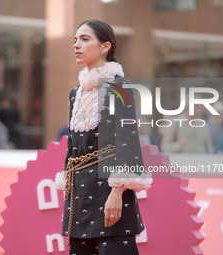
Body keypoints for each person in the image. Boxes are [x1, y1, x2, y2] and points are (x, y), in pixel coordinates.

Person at [54, 19, 152, 255]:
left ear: (105, 46)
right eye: (75, 40)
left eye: (85, 39)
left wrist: (117, 193)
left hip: (109, 191)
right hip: (79, 196)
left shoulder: (119, 88)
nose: (76, 45)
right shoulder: (74, 94)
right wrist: (69, 195)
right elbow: (72, 150)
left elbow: (127, 142)